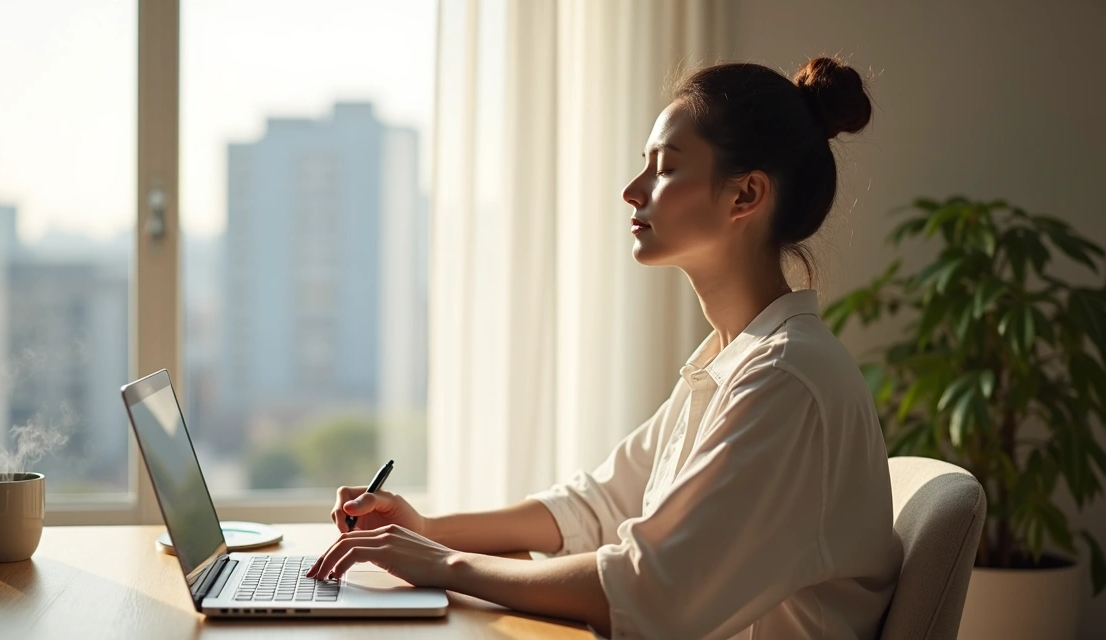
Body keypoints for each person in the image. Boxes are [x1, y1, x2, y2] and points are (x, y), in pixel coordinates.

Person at [307, 56, 903, 639]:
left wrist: (442, 565)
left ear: (745, 195)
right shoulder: (735, 359)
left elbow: (650, 592)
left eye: (665, 168)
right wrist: (430, 530)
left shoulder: (784, 378)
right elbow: (595, 507)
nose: (631, 190)